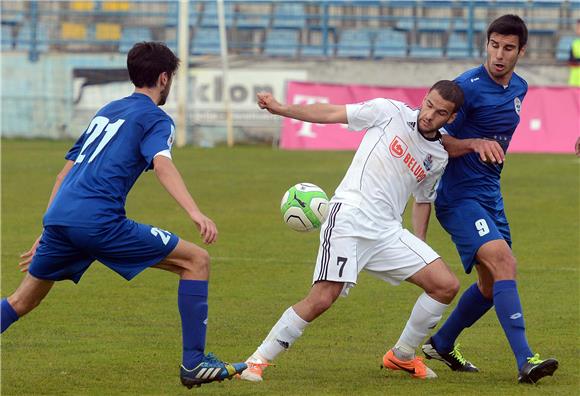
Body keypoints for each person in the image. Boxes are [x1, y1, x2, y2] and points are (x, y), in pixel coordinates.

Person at [0, 42, 246, 389]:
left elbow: (62, 175)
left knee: (22, 300)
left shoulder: (107, 110)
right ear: (164, 78)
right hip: (98, 221)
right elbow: (162, 165)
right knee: (197, 261)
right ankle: (194, 363)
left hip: (61, 216)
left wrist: (49, 226)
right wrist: (195, 211)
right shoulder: (156, 118)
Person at [239, 80, 464, 382]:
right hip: (350, 216)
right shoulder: (389, 112)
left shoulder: (438, 158)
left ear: (450, 119)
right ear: (423, 100)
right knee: (322, 297)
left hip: (387, 231)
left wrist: (419, 245)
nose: (429, 115)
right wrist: (281, 109)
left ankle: (402, 355)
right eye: (429, 105)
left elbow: (423, 200)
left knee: (445, 285)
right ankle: (256, 361)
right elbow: (331, 112)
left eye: (440, 113)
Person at [419, 15, 559, 384]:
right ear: (487, 44)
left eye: (508, 48)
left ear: (521, 51)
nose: (499, 54)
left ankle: (442, 343)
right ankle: (526, 360)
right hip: (458, 197)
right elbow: (433, 135)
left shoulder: (521, 88)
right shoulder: (467, 87)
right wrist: (473, 143)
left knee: (489, 284)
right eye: (494, 45)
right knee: (503, 262)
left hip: (490, 197)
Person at [568, 19, 580, 87]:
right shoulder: (574, 43)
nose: (577, 29)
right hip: (574, 79)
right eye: (577, 27)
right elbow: (570, 60)